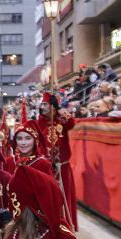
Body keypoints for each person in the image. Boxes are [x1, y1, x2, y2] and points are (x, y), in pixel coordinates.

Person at [36, 93, 78, 231]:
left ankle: (66, 223)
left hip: (62, 166)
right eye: (42, 104)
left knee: (64, 193)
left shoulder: (61, 120)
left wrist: (61, 112)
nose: (42, 106)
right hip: (47, 166)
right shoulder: (39, 122)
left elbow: (72, 124)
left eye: (45, 104)